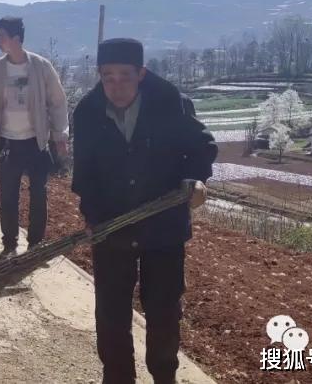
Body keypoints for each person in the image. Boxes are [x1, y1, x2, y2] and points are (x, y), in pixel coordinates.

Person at [71, 38, 216, 384]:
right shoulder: (87, 113)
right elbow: (84, 174)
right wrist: (91, 215)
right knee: (111, 313)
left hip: (163, 228)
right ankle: (118, 376)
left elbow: (202, 147)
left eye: (125, 76)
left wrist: (194, 180)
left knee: (164, 311)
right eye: (108, 77)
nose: (116, 86)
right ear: (99, 76)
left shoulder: (171, 105)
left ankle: (164, 375)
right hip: (111, 228)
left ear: (141, 73)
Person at [0, 16, 69, 259]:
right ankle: (9, 243)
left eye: (1, 36)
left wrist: (60, 135)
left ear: (16, 39)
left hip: (34, 140)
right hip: (6, 141)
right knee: (8, 194)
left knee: (39, 192)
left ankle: (35, 243)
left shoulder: (41, 67)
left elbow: (57, 102)